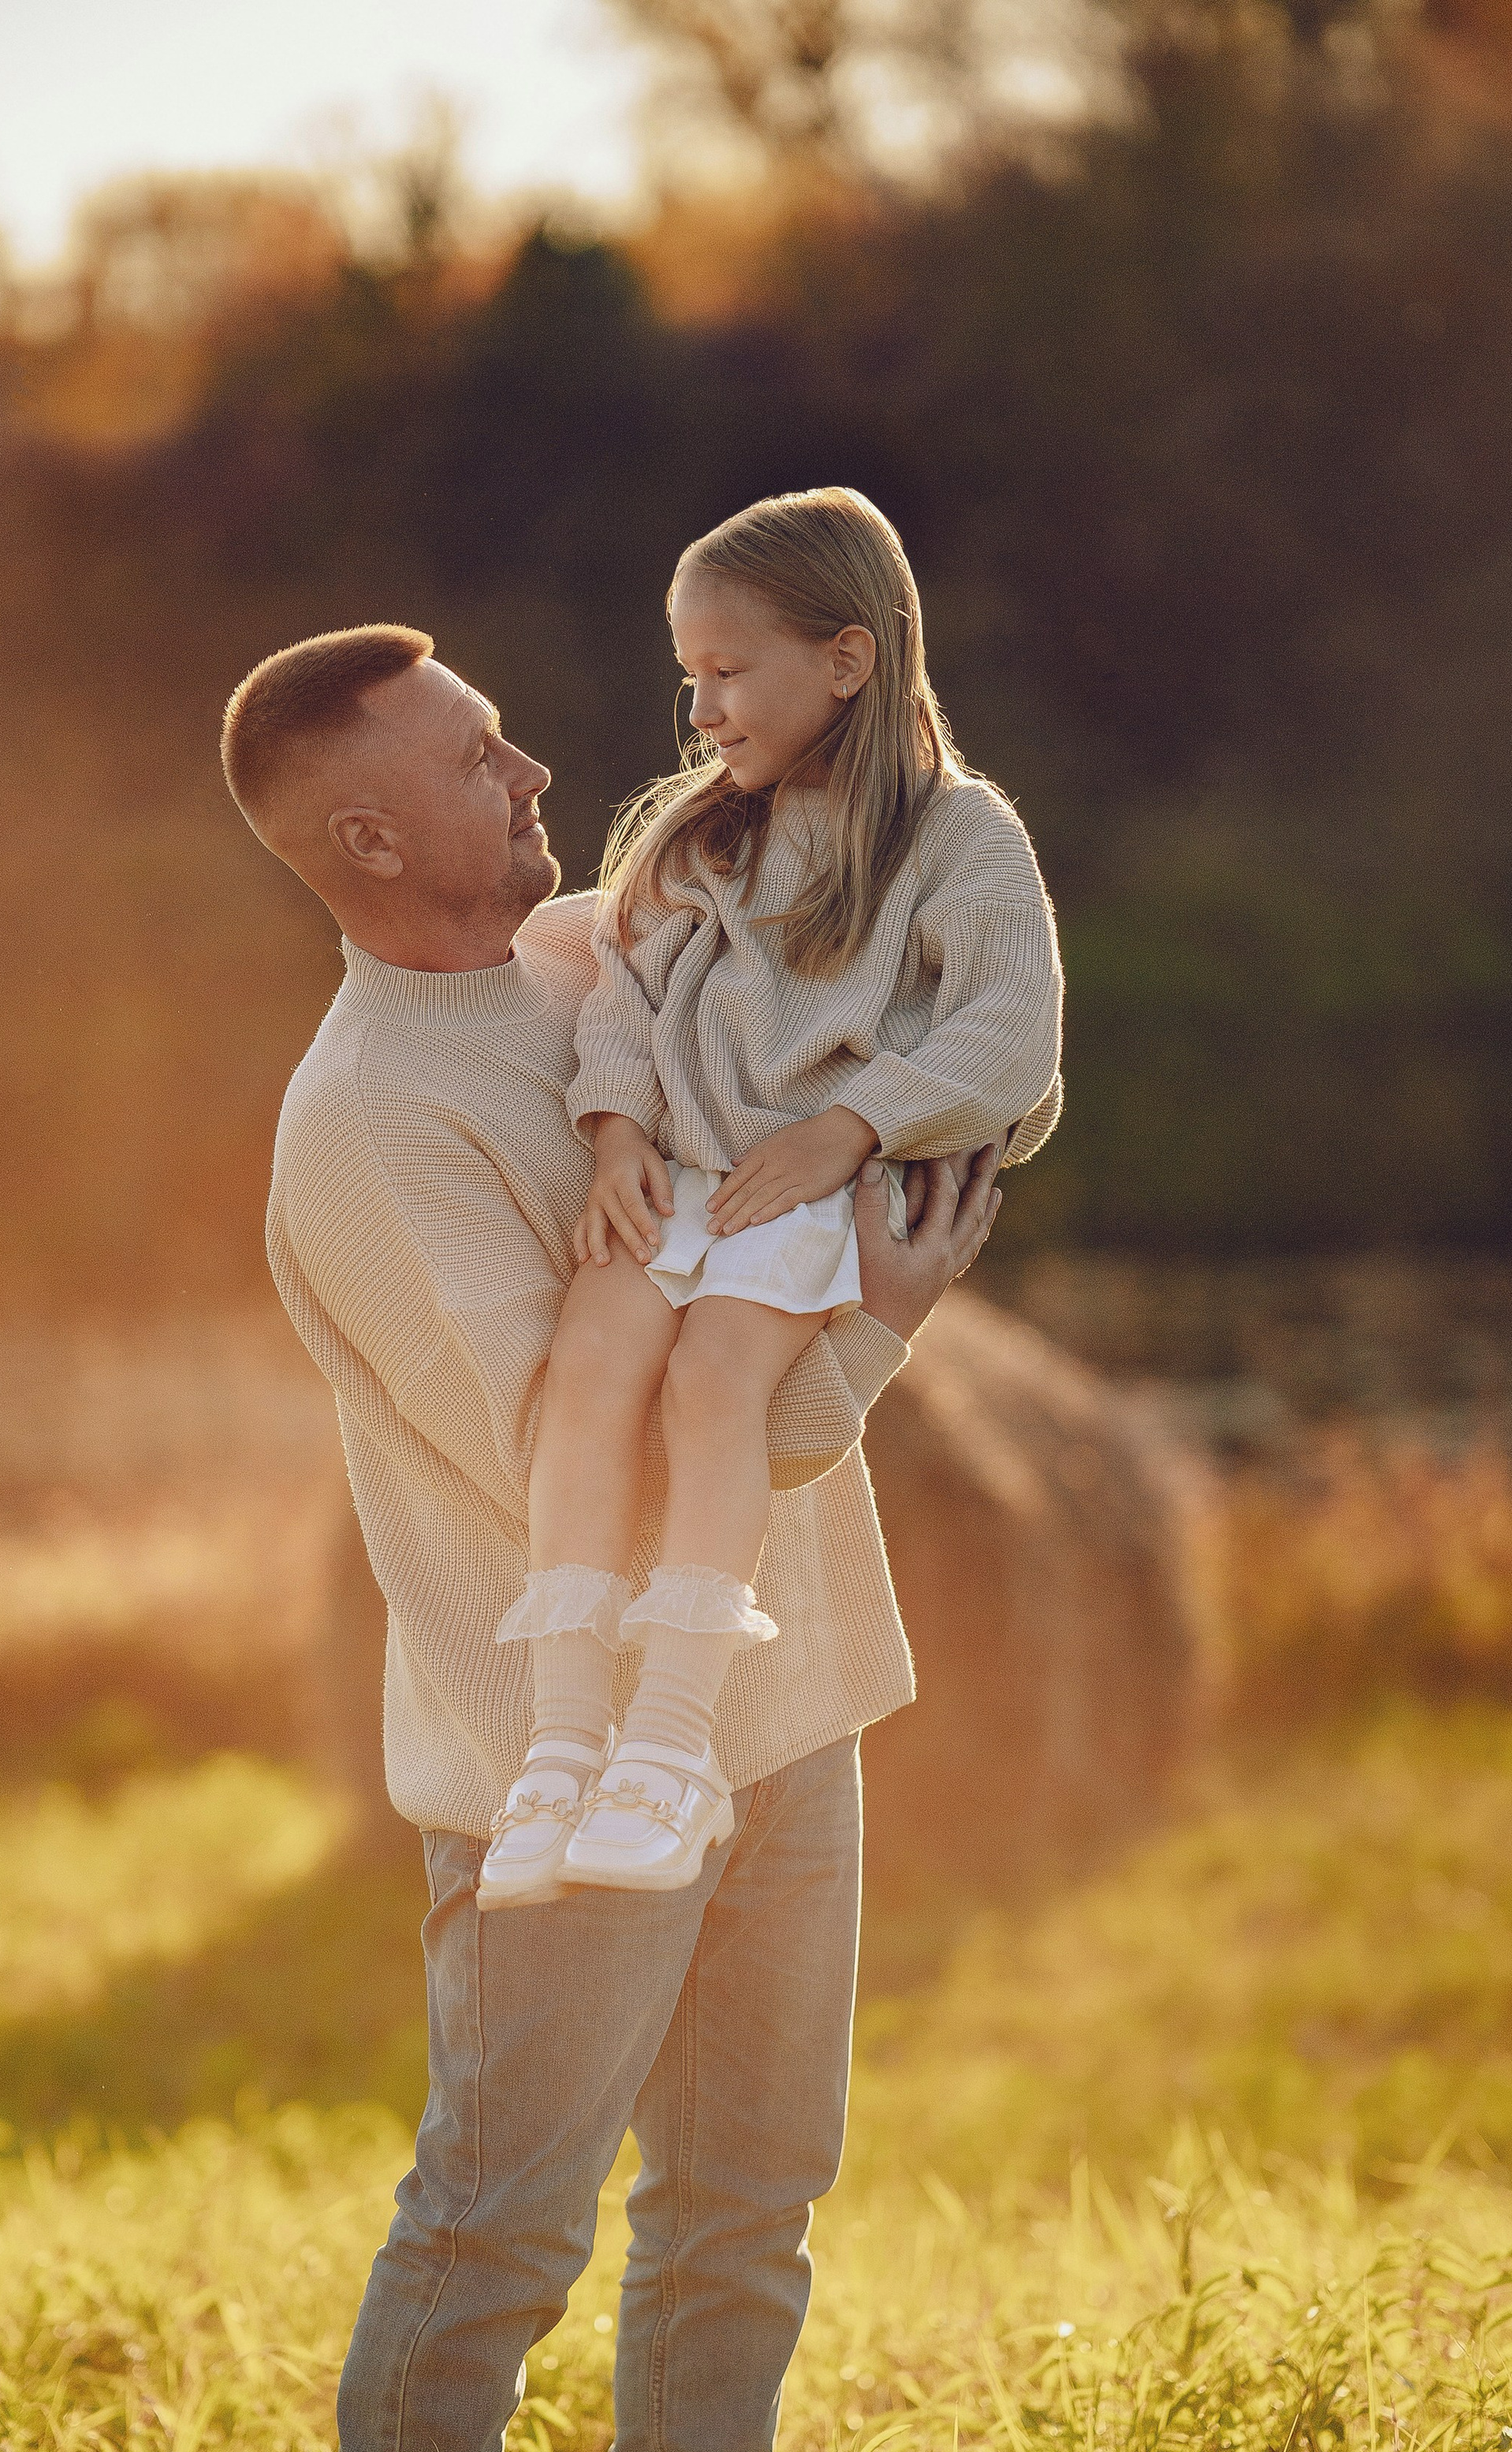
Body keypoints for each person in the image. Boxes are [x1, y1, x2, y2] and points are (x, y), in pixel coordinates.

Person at [222, 617, 1005, 2452]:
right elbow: (597, 1470)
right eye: (480, 758)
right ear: (370, 838)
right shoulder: (370, 1126)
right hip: (559, 1776)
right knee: (502, 2225)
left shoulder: (603, 960)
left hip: (788, 1699)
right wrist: (881, 1324)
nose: (537, 773)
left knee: (748, 2205)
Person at [480, 489, 1063, 1910]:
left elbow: (1012, 1030)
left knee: (713, 1383)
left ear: (847, 660)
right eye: (690, 676)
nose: (702, 711)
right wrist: (614, 1134)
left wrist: (848, 1131)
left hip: (811, 1189)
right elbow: (624, 993)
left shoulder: (959, 838)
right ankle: (563, 1740)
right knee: (590, 1370)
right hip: (676, 1173)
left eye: (728, 672)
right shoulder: (701, 833)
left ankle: (670, 1744)